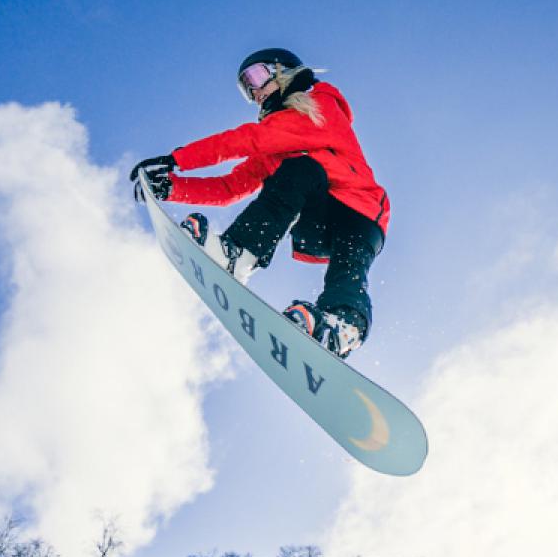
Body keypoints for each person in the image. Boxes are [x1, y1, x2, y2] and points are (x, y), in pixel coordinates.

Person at [131, 49, 388, 359]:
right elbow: (230, 186)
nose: (253, 92)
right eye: (245, 88)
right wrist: (172, 188)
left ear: (284, 71)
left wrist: (178, 159)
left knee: (346, 267)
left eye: (255, 77)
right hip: (319, 219)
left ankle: (343, 326)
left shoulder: (321, 107)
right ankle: (239, 255)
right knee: (296, 171)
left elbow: (249, 139)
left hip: (362, 215)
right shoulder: (277, 146)